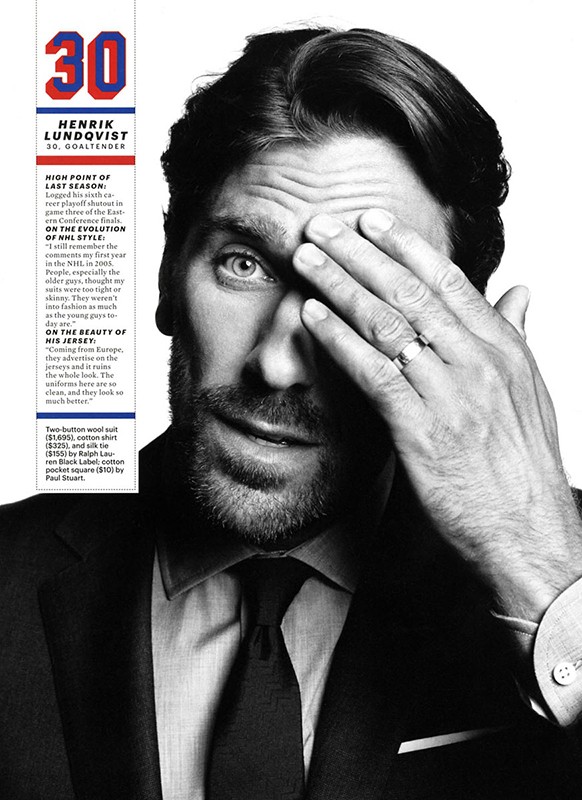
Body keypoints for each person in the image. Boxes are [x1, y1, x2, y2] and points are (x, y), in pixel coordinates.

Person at [1, 26, 582, 800]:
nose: (277, 364)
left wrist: (542, 575)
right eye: (243, 264)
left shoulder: (561, 572)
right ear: (168, 274)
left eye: (361, 293)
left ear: (457, 330)